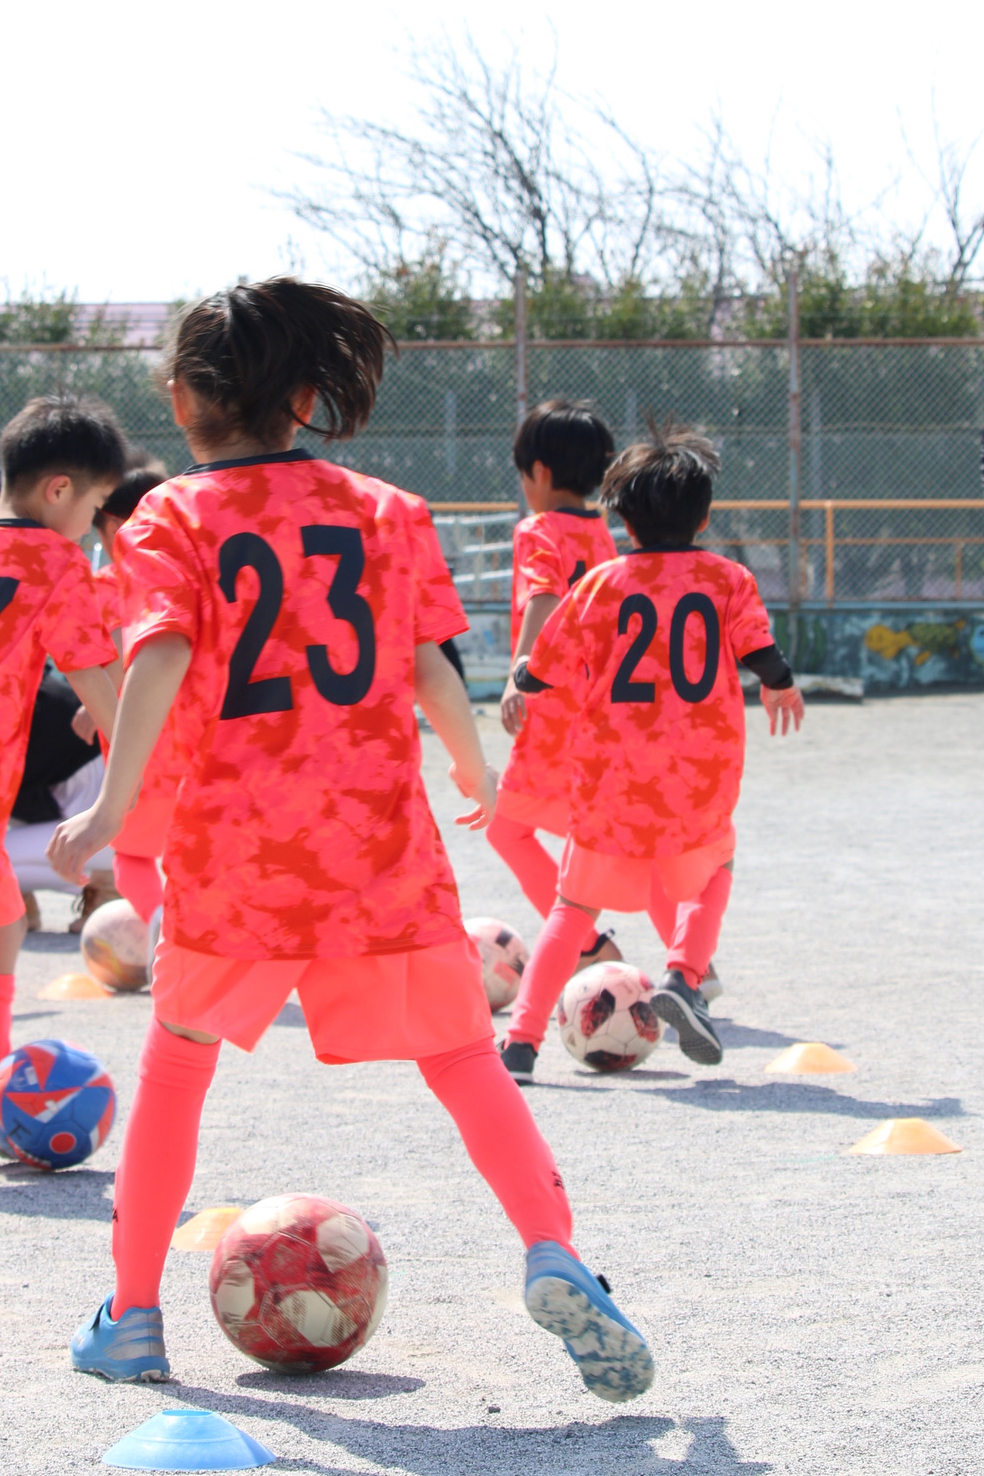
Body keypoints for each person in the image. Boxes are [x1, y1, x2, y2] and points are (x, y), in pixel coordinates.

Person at [48, 277, 653, 1402]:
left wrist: (107, 804)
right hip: (378, 836)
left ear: (182, 400)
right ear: (313, 396)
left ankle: (132, 1319)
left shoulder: (172, 517)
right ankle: (556, 1252)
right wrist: (475, 768)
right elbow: (432, 664)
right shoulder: (388, 509)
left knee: (178, 1069)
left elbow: (162, 656)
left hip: (241, 849)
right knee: (468, 1062)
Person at [498, 419, 805, 1084]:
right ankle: (684, 978)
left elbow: (544, 666)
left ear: (624, 521)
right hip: (698, 776)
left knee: (572, 910)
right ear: (703, 516)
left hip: (610, 776)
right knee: (713, 871)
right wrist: (781, 685)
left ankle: (520, 1043)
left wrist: (519, 682)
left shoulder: (601, 584)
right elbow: (758, 648)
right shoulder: (728, 579)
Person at [0, 394, 124, 1057]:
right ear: (59, 489)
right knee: (6, 923)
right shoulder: (55, 561)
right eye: (93, 505)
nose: (89, 526)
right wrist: (143, 770)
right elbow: (96, 684)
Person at [488, 401, 622, 971]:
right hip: (603, 711)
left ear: (539, 472)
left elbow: (542, 596)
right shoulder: (605, 537)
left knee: (507, 832)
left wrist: (521, 672)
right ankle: (693, 964)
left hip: (555, 709)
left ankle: (588, 948)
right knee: (619, 840)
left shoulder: (537, 530)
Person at [87, 467, 177, 937]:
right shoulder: (189, 572)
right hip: (196, 743)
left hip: (142, 751)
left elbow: (132, 642)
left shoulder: (107, 583)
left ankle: (167, 931)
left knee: (131, 859)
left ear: (119, 524)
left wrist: (93, 700)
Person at [9, 673, 116, 931]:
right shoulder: (14, 670)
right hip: (104, 800)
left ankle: (110, 883)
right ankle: (17, 903)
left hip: (111, 821)